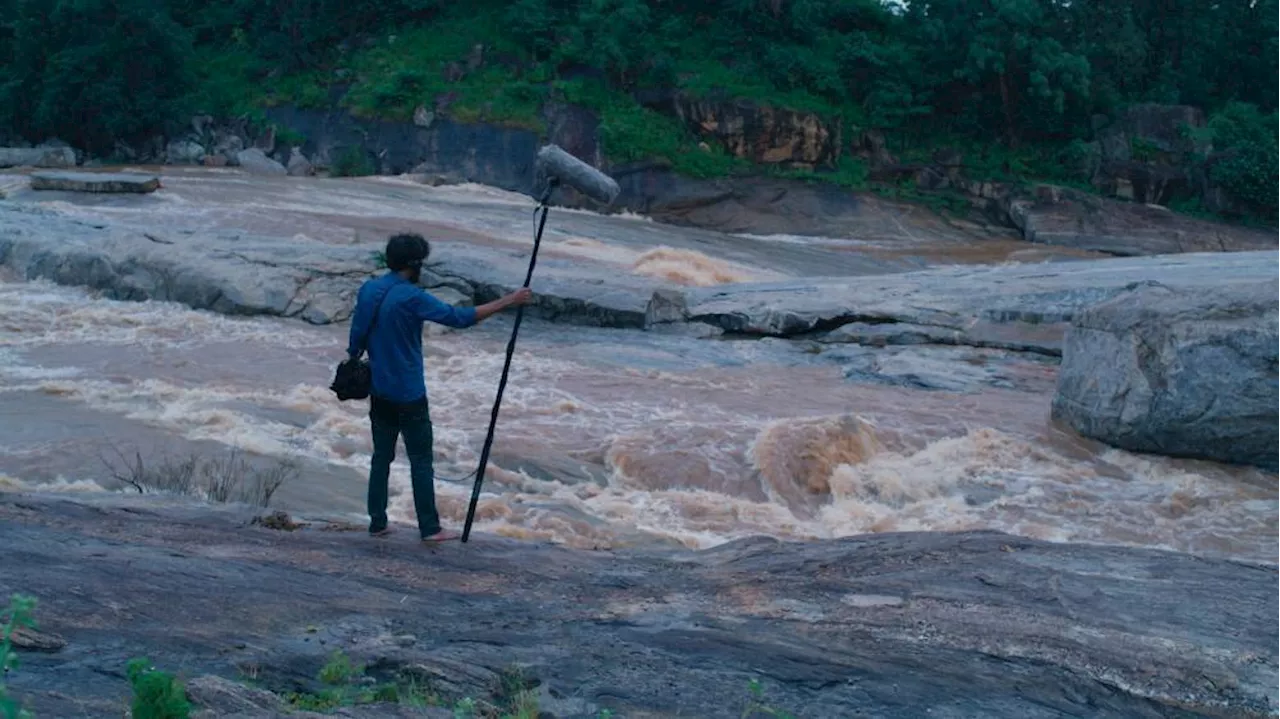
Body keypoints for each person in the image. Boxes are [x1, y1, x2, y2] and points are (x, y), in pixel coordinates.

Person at [346, 233, 532, 543]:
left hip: (379, 389)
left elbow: (355, 342)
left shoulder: (369, 290)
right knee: (421, 460)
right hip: (409, 393)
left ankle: (377, 522)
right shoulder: (411, 297)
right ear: (414, 264)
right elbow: (459, 318)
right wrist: (509, 301)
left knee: (381, 457)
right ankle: (430, 528)